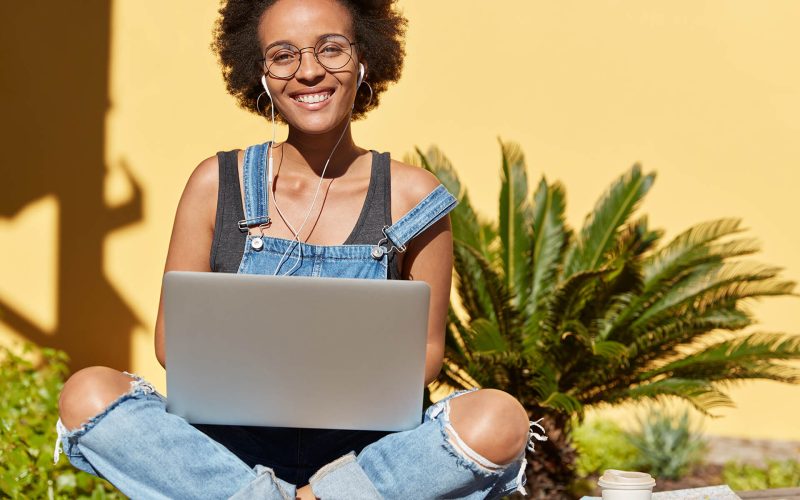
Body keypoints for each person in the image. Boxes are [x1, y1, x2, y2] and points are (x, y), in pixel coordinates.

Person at [54, 0, 545, 498]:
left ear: (364, 59)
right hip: (222, 455)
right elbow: (172, 346)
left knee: (500, 419)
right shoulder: (215, 184)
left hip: (367, 460)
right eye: (283, 55)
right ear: (261, 73)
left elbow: (425, 354)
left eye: (331, 49)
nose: (309, 72)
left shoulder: (414, 197)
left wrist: (325, 385)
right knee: (88, 394)